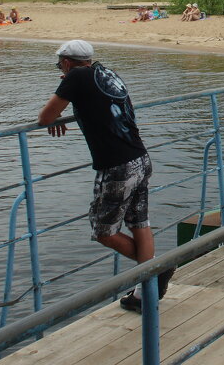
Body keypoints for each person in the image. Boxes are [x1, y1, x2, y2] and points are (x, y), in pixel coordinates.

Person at [37, 40, 171, 313]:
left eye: (59, 65)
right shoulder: (105, 73)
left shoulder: (76, 77)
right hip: (140, 158)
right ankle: (145, 292)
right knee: (139, 223)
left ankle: (158, 269)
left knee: (103, 231)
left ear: (65, 62)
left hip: (117, 166)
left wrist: (58, 111)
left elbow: (44, 117)